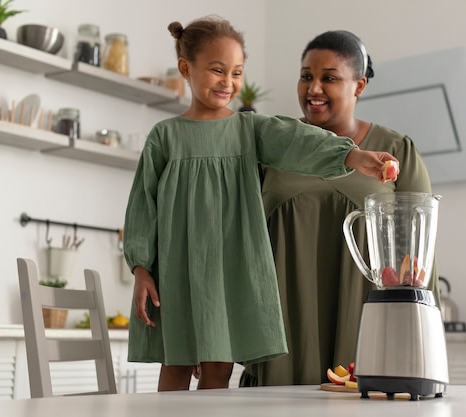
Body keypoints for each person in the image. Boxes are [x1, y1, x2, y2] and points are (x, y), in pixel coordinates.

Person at [122, 17, 398, 392]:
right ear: (187, 68)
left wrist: (354, 157)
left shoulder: (250, 131)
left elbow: (300, 141)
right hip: (176, 272)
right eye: (217, 70)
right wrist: (140, 268)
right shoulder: (165, 137)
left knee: (218, 371)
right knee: (176, 365)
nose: (228, 82)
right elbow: (142, 206)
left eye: (236, 72)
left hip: (229, 272)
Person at [240, 30, 435, 387]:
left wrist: (419, 338)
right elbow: (235, 233)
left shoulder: (397, 149)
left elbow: (419, 256)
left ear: (358, 86)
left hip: (370, 330)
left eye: (328, 78)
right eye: (306, 76)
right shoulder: (269, 147)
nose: (313, 88)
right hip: (280, 331)